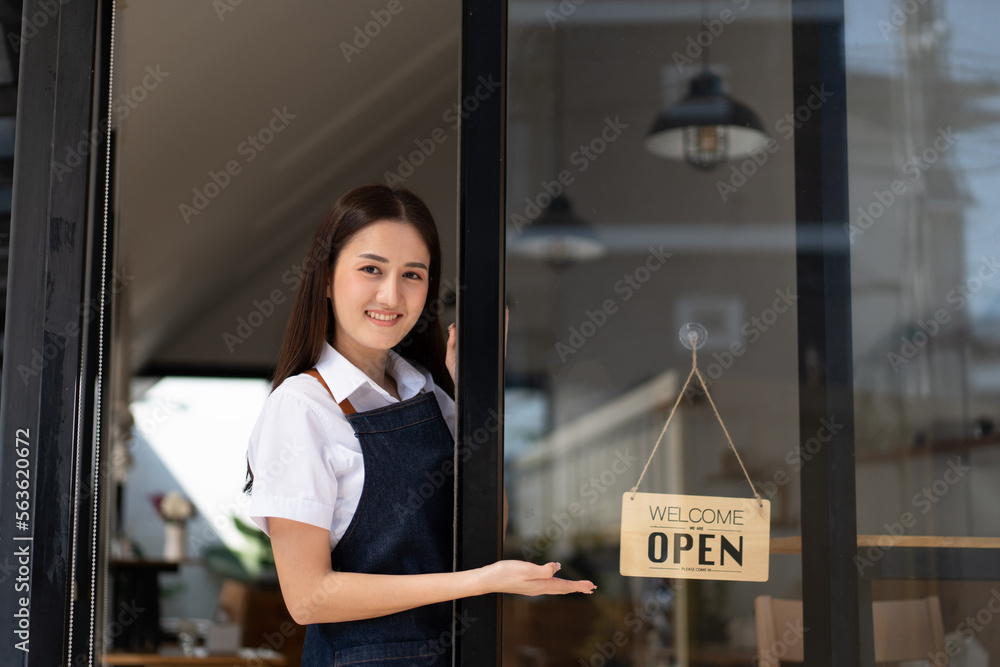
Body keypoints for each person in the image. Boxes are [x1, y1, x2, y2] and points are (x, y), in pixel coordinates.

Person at [244, 184, 595, 666]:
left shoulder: (428, 392)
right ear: (325, 278)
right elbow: (308, 599)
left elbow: (487, 530)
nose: (391, 294)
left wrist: (477, 398)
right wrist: (480, 582)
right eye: (371, 269)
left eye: (413, 274)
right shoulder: (302, 408)